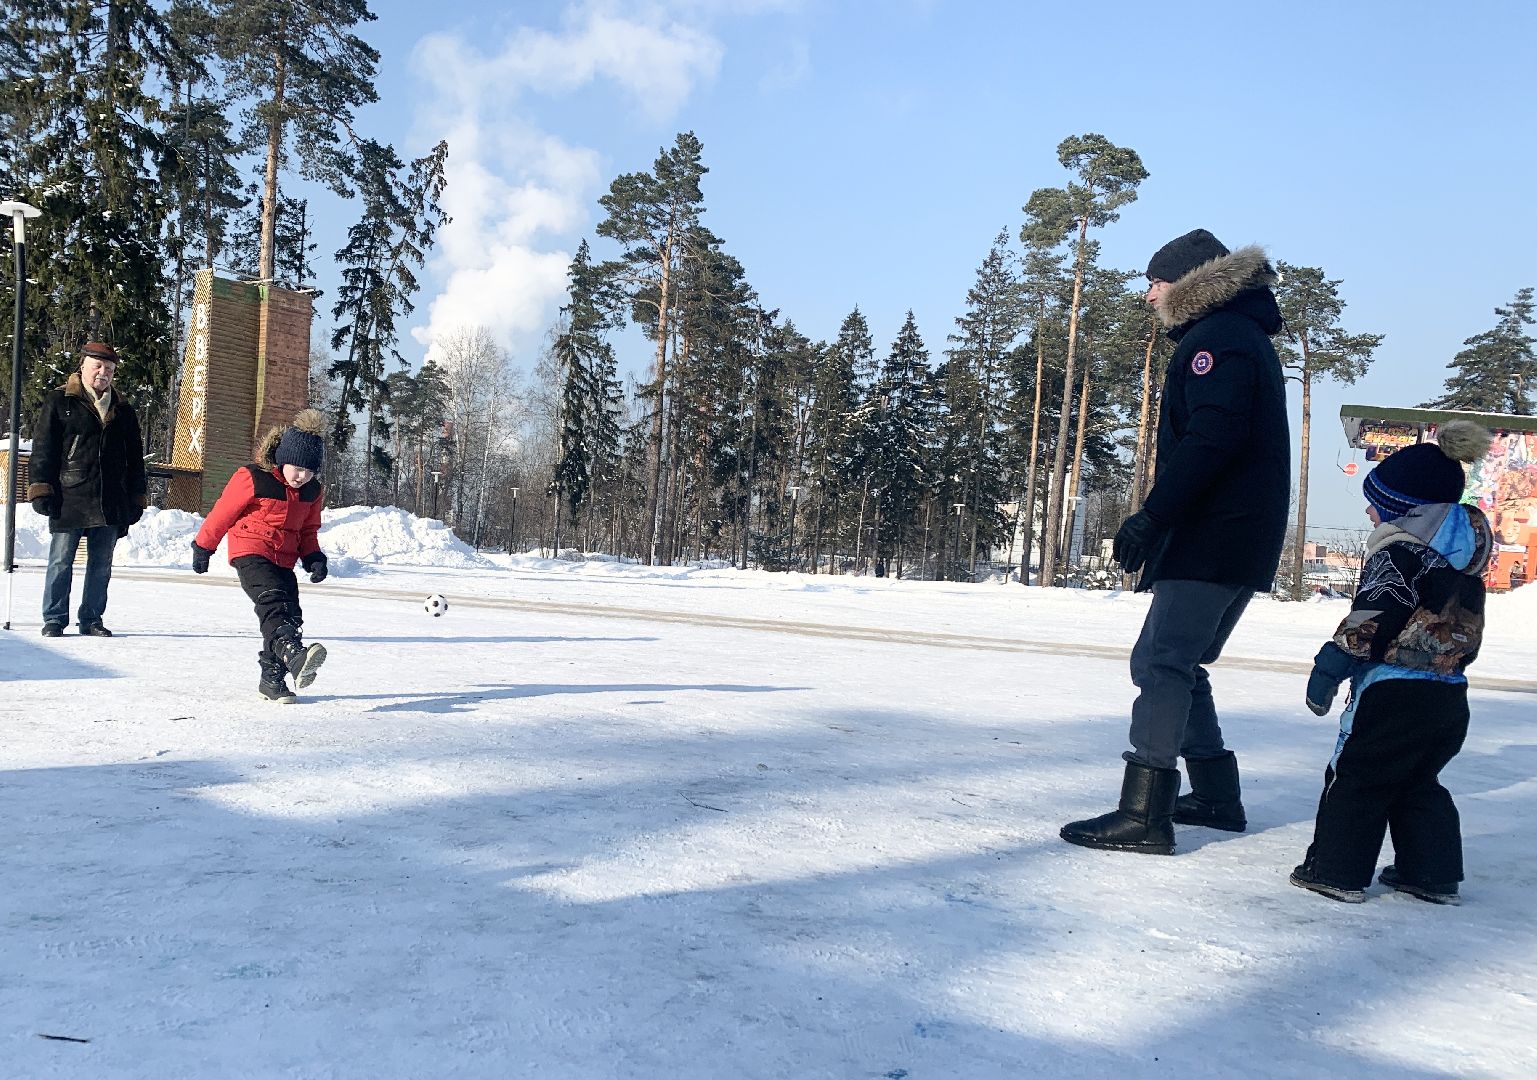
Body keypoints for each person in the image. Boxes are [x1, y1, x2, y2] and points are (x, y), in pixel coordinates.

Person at [1060, 229, 1289, 855]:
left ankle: (1144, 814)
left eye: (1156, 281)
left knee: (1163, 663)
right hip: (1232, 537)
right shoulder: (1237, 339)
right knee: (1175, 662)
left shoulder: (1217, 342)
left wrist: (1152, 516)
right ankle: (1215, 793)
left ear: (1192, 282)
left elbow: (1212, 440)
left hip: (1214, 536)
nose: (1148, 294)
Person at [1291, 423, 1492, 904]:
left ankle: (1334, 871)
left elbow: (1374, 615)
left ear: (1406, 513)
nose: (1368, 510)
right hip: (1448, 692)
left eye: (1376, 503)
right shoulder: (1466, 564)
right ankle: (1432, 875)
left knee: (1357, 778)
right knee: (1418, 781)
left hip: (1392, 692)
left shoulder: (1399, 553)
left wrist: (1330, 663)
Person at [190, 408, 330, 703]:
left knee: (291, 614)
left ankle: (272, 680)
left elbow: (308, 530)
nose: (302, 476)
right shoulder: (254, 477)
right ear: (283, 459)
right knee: (273, 604)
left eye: (309, 471)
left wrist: (314, 557)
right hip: (251, 551)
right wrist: (204, 546)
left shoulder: (312, 491)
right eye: (297, 468)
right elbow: (222, 513)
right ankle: (293, 655)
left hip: (284, 559)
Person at [27, 342, 148, 637]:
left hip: (111, 499)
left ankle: (91, 619)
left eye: (109, 369)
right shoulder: (59, 401)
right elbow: (44, 449)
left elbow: (135, 458)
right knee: (60, 561)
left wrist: (136, 497)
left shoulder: (123, 410)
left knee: (101, 564)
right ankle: (54, 618)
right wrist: (42, 490)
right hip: (70, 495)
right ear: (83, 366)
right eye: (97, 366)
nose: (103, 373)